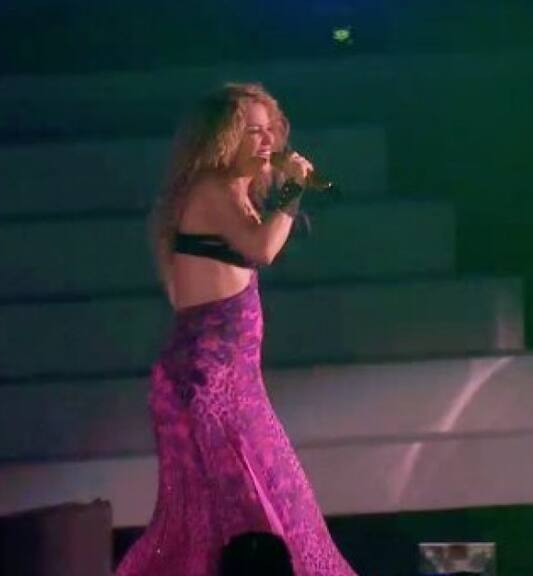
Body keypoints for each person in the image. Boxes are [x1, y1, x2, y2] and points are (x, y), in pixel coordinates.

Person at [115, 82, 356, 576]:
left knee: (259, 511)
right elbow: (261, 248)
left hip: (232, 383)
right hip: (209, 384)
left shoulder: (233, 195)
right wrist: (292, 190)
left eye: (270, 130)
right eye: (252, 131)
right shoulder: (212, 188)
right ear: (222, 138)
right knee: (247, 516)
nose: (267, 142)